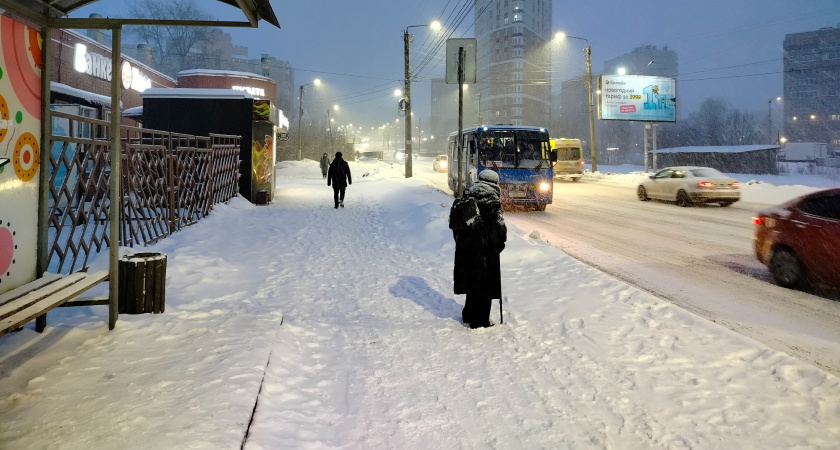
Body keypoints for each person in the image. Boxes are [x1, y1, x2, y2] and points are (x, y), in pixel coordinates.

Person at [449, 169, 507, 329]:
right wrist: (497, 245)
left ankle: (468, 314)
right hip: (484, 249)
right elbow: (498, 227)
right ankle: (480, 321)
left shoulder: (468, 195)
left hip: (466, 248)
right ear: (495, 182)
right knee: (484, 286)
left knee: (472, 282)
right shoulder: (492, 199)